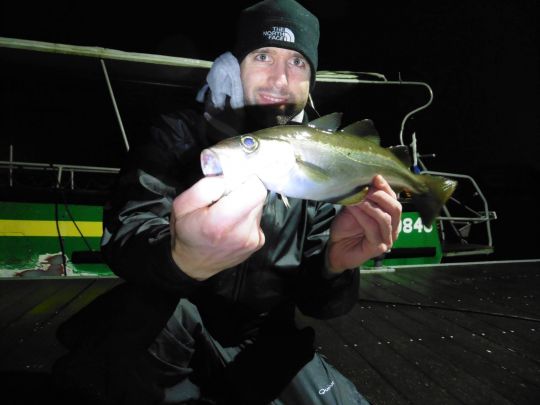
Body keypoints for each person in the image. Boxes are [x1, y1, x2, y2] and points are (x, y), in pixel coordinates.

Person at [52, 0, 401, 404]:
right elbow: (125, 234)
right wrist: (181, 258)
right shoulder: (178, 135)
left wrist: (335, 265)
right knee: (130, 336)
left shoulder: (318, 167)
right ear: (233, 66)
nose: (280, 78)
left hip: (267, 338)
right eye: (263, 55)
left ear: (311, 80)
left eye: (298, 63)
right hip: (173, 322)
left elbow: (317, 303)